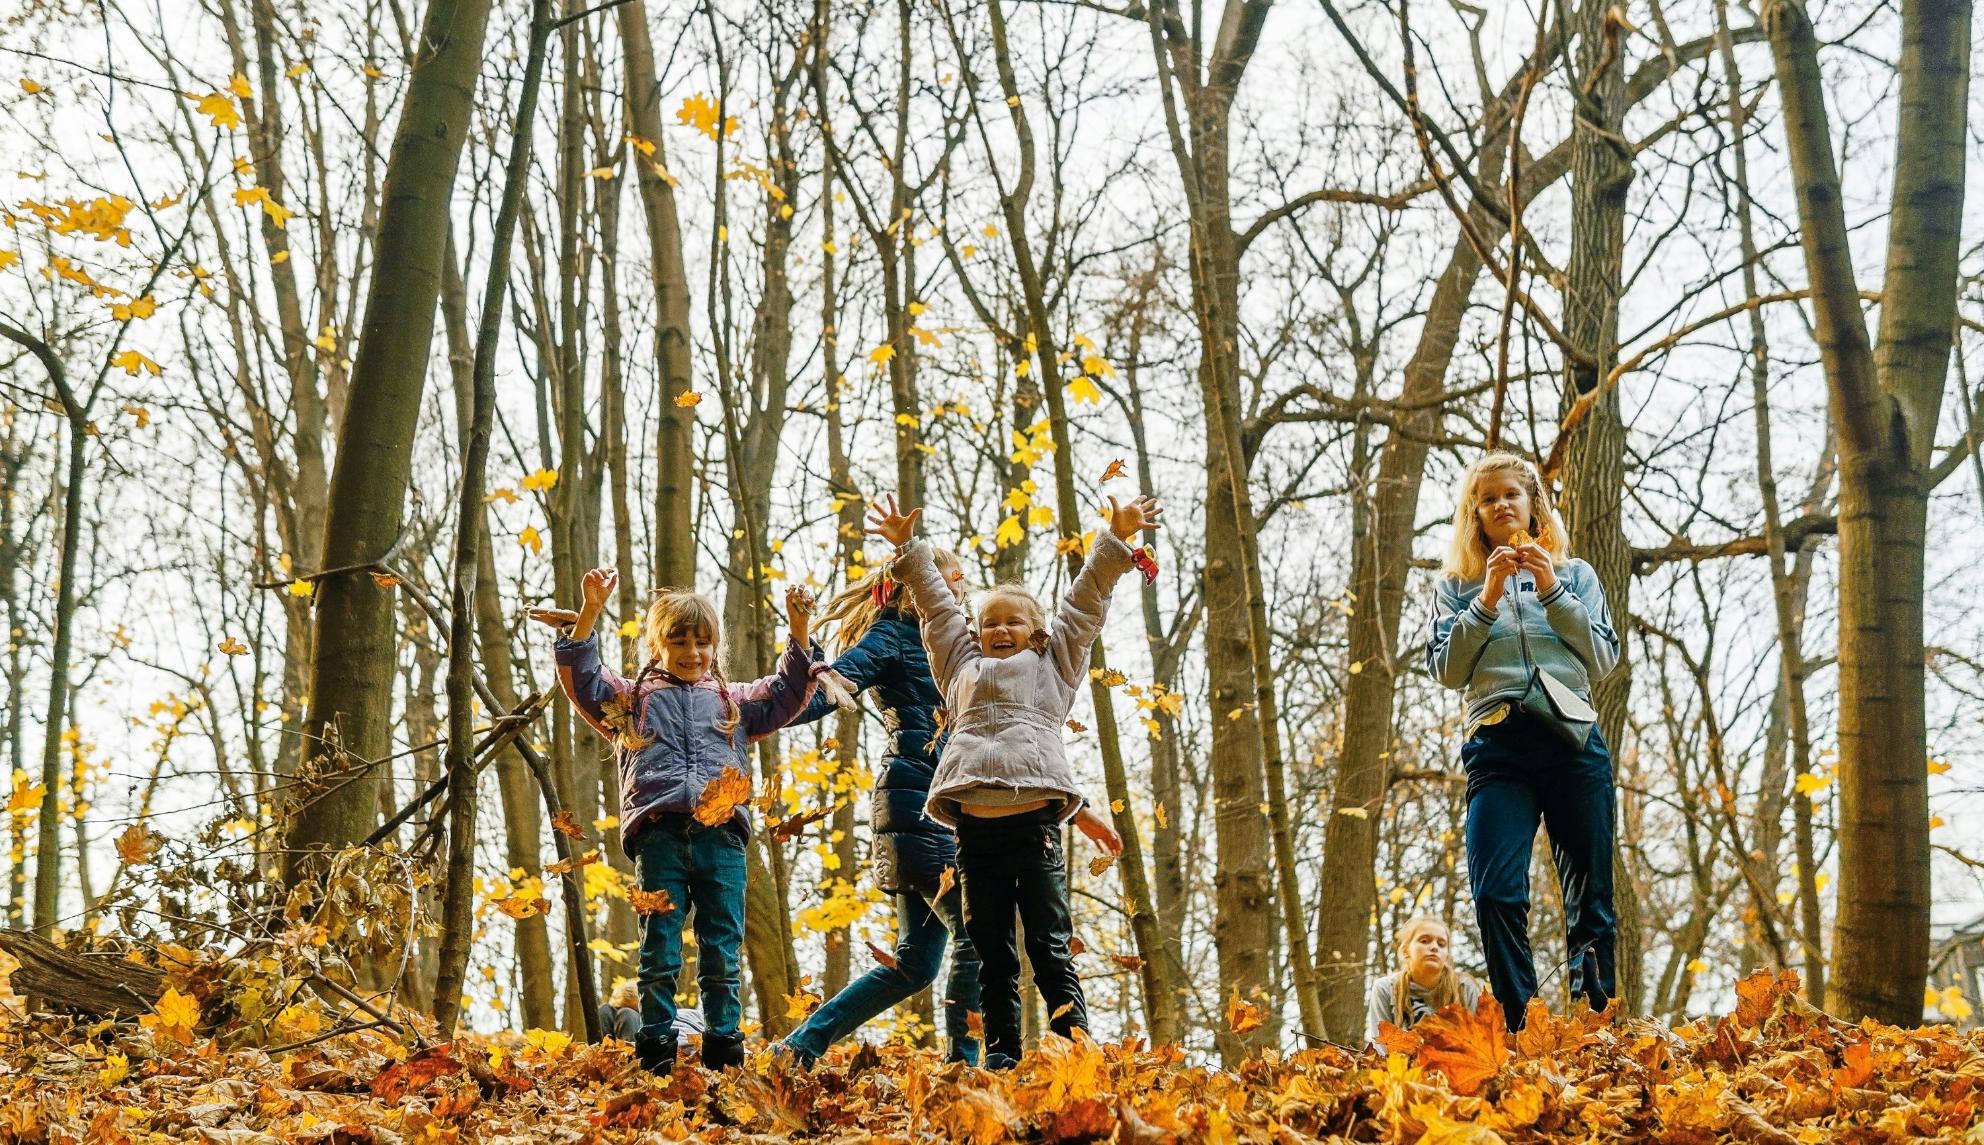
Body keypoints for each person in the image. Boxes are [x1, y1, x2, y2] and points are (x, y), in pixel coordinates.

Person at [867, 491, 1159, 1069]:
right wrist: (908, 548)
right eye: (990, 623)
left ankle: (1077, 1053)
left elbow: (1084, 603)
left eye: (1014, 622)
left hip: (1035, 831)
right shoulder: (959, 666)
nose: (1001, 630)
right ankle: (1001, 1055)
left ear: (1036, 631)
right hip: (975, 836)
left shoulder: (1056, 665)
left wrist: (1116, 540)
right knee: (991, 952)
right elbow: (936, 608)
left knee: (1049, 948)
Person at [533, 570, 822, 1073]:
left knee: (721, 947)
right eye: (679, 641)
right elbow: (585, 680)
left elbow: (786, 691)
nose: (692, 652)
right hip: (660, 834)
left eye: (703, 643)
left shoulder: (733, 702)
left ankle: (724, 1048)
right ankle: (655, 1049)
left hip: (722, 838)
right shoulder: (634, 700)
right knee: (660, 949)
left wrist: (799, 627)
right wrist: (590, 611)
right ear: (656, 645)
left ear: (716, 647)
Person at [1427, 452, 1621, 1032]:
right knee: (1495, 893)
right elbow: (1446, 668)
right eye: (1486, 500)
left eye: (1511, 494)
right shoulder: (1456, 586)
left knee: (1591, 896)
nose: (1500, 505)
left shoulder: (1577, 574)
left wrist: (1552, 589)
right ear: (1475, 515)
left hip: (1572, 739)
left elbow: (1604, 657)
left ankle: (1595, 1027)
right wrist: (1486, 598)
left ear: (1533, 503)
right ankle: (1522, 1027)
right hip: (1498, 746)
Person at [773, 555, 983, 1067]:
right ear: (908, 587)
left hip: (940, 805)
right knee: (977, 937)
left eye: (958, 580)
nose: (957, 588)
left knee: (914, 965)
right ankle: (966, 1069)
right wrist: (799, 656)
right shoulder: (893, 637)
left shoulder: (953, 646)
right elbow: (823, 694)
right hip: (920, 804)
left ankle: (800, 1046)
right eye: (946, 578)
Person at [1364, 917, 1484, 1045]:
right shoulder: (1385, 988)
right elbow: (1381, 1046)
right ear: (1405, 951)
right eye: (1425, 941)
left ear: (1447, 956)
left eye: (1441, 944)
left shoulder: (1465, 988)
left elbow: (1479, 1043)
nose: (1434, 947)